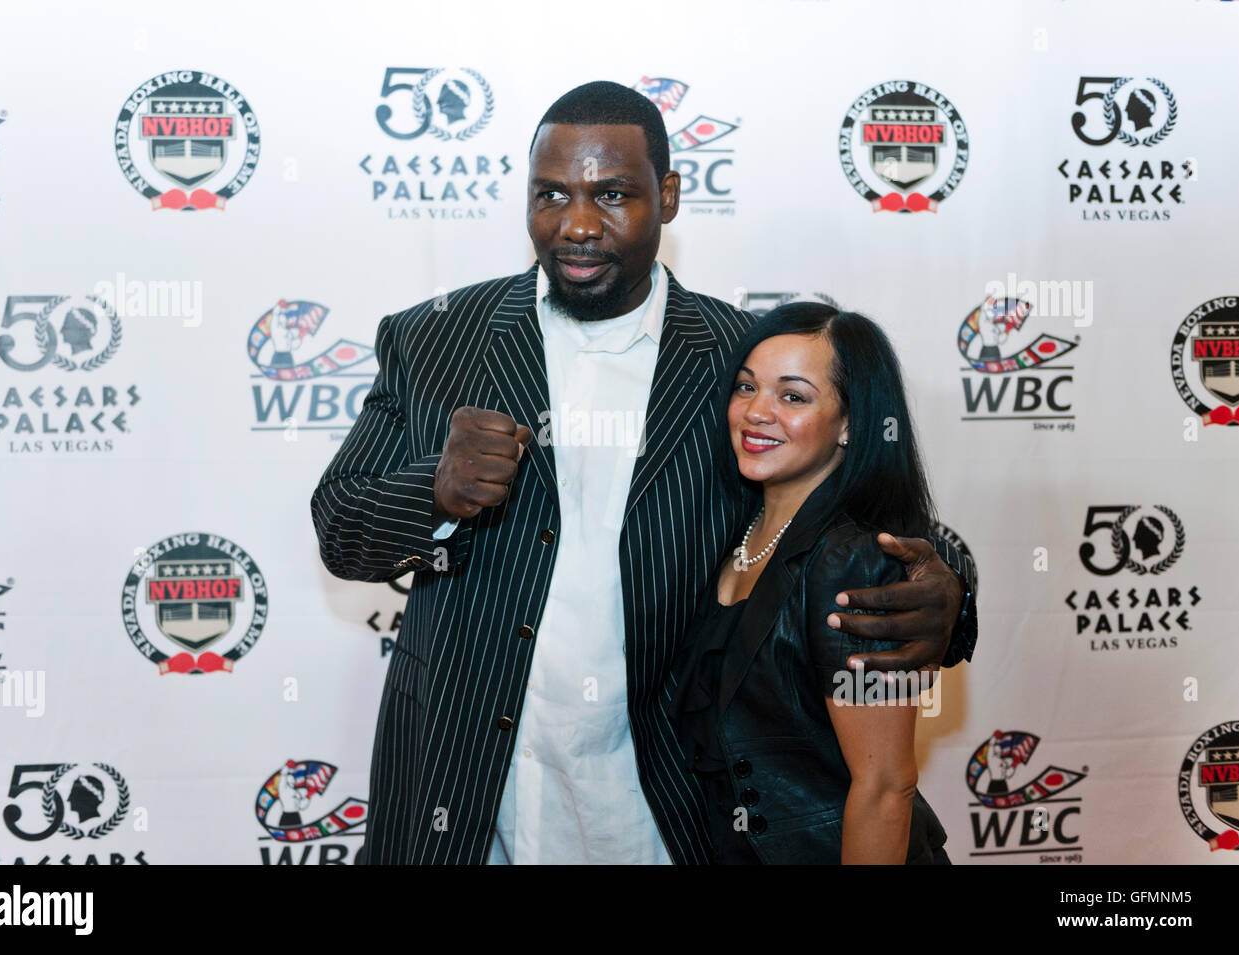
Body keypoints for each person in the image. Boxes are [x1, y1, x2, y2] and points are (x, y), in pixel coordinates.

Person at [310, 80, 976, 865]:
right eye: (550, 195)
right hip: (467, 793)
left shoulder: (736, 360)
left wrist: (952, 585)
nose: (578, 225)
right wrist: (431, 487)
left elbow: (871, 509)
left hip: (671, 802)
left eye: (613, 194)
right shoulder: (434, 341)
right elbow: (340, 526)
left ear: (667, 195)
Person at [667, 303, 949, 864]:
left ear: (849, 422)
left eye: (793, 396)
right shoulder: (727, 532)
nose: (756, 413)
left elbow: (885, 786)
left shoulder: (859, 563)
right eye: (746, 388)